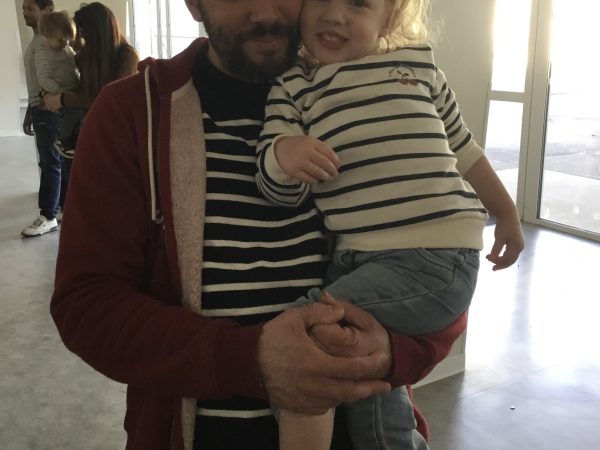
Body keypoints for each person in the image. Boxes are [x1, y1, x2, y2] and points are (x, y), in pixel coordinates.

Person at [50, 1, 470, 449]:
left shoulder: (372, 90)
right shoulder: (132, 113)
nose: (265, 11)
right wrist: (250, 360)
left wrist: (389, 355)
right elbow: (87, 306)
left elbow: (434, 268)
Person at [255, 0, 525, 449]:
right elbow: (274, 184)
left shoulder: (416, 64)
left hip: (435, 258)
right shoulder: (293, 86)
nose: (334, 15)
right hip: (356, 261)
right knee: (367, 389)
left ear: (389, 18)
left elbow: (465, 150)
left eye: (358, 3)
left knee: (305, 334)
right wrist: (284, 155)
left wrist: (507, 212)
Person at [42, 1, 139, 155]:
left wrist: (62, 99)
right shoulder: (87, 56)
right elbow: (86, 92)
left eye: (86, 38)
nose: (83, 44)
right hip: (93, 129)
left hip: (116, 134)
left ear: (98, 35)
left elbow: (104, 98)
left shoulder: (127, 58)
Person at [21, 0, 67, 237]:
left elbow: (61, 77)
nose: (25, 12)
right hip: (40, 108)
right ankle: (61, 209)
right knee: (55, 161)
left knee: (50, 162)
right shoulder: (38, 40)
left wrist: (44, 104)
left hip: (48, 110)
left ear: (48, 10)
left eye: (30, 8)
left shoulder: (48, 43)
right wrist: (31, 109)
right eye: (24, 8)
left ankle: (48, 216)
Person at [36, 11, 84, 158]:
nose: (66, 43)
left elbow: (75, 63)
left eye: (68, 39)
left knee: (79, 112)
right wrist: (59, 93)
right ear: (47, 35)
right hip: (59, 93)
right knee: (73, 112)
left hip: (72, 89)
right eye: (61, 39)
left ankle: (70, 136)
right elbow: (44, 78)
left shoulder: (66, 49)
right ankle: (64, 139)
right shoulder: (43, 54)